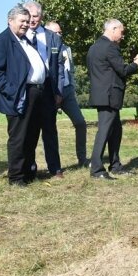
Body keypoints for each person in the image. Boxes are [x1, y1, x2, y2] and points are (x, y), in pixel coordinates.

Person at [0, 6, 46, 187]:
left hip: (36, 93)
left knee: (32, 135)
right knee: (19, 137)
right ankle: (16, 177)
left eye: (27, 21)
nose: (26, 24)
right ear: (10, 21)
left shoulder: (24, 40)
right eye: (22, 21)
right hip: (20, 95)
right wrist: (13, 91)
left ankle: (28, 172)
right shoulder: (2, 40)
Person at [87, 19, 138, 180]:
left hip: (102, 94)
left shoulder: (94, 47)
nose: (123, 35)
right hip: (109, 95)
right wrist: (136, 63)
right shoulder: (110, 47)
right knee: (104, 132)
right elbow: (123, 70)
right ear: (113, 29)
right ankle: (97, 169)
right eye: (121, 31)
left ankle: (115, 165)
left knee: (115, 131)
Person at [23, 1, 65, 178]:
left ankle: (55, 168)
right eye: (29, 16)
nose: (32, 20)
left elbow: (61, 66)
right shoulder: (19, 36)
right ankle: (30, 168)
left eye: (36, 16)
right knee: (29, 132)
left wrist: (59, 91)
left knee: (50, 131)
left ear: (41, 17)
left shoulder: (53, 37)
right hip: (28, 90)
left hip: (48, 89)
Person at [45, 21, 88, 167]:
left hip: (68, 92)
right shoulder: (44, 48)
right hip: (50, 93)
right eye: (55, 32)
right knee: (49, 130)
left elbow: (70, 70)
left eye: (60, 32)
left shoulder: (67, 48)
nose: (59, 35)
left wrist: (71, 87)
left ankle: (82, 159)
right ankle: (54, 165)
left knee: (80, 123)